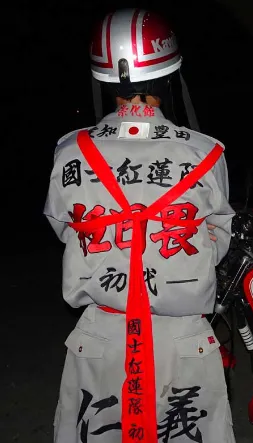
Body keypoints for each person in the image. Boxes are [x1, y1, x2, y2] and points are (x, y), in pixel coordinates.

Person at [44, 8, 236, 443]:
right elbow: (216, 242)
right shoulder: (205, 153)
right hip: (183, 338)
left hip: (100, 337)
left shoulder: (71, 152)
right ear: (170, 72)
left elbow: (66, 229)